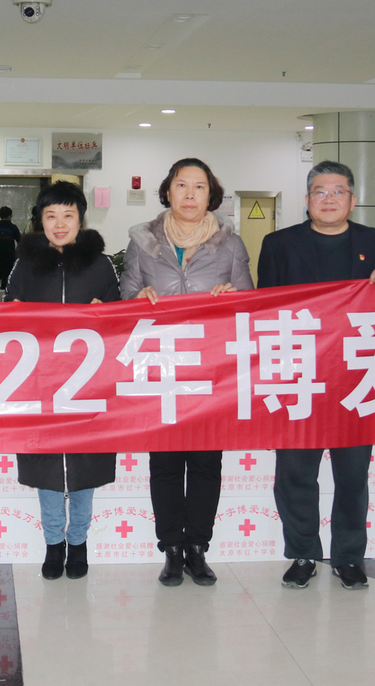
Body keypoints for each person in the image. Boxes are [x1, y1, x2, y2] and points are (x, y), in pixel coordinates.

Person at [257, 160, 375, 591]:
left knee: (352, 475)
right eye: (320, 192)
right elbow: (263, 309)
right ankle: (303, 553)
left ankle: (348, 556)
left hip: (357, 377)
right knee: (295, 473)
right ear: (307, 200)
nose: (329, 199)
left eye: (338, 191)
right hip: (298, 375)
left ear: (352, 199)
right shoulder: (278, 243)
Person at [120, 157, 252, 587]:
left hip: (212, 369)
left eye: (199, 186)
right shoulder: (142, 242)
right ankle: (171, 550)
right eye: (182, 185)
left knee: (206, 462)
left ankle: (198, 547)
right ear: (168, 191)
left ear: (211, 194)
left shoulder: (230, 244)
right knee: (165, 462)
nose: (190, 194)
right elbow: (124, 298)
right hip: (160, 366)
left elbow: (250, 302)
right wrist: (138, 297)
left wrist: (232, 296)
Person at [4, 182, 121, 580]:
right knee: (48, 467)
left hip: (89, 386)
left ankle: (79, 541)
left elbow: (120, 321)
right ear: (40, 220)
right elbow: (7, 315)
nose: (59, 224)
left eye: (68, 215)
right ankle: (54, 543)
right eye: (50, 215)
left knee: (85, 466)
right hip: (40, 383)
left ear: (80, 219)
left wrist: (105, 312)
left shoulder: (101, 265)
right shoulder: (25, 264)